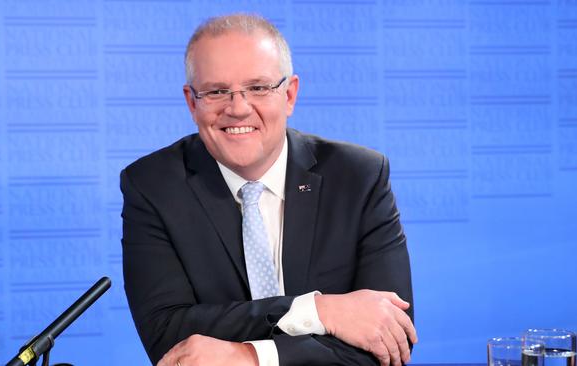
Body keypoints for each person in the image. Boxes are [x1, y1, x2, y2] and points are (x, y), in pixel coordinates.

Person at [120, 13, 417, 366]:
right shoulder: (153, 186)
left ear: (289, 95)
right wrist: (319, 311)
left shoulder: (359, 177)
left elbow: (389, 340)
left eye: (258, 88)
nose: (238, 108)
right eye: (217, 91)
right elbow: (169, 337)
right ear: (191, 102)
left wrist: (250, 357)